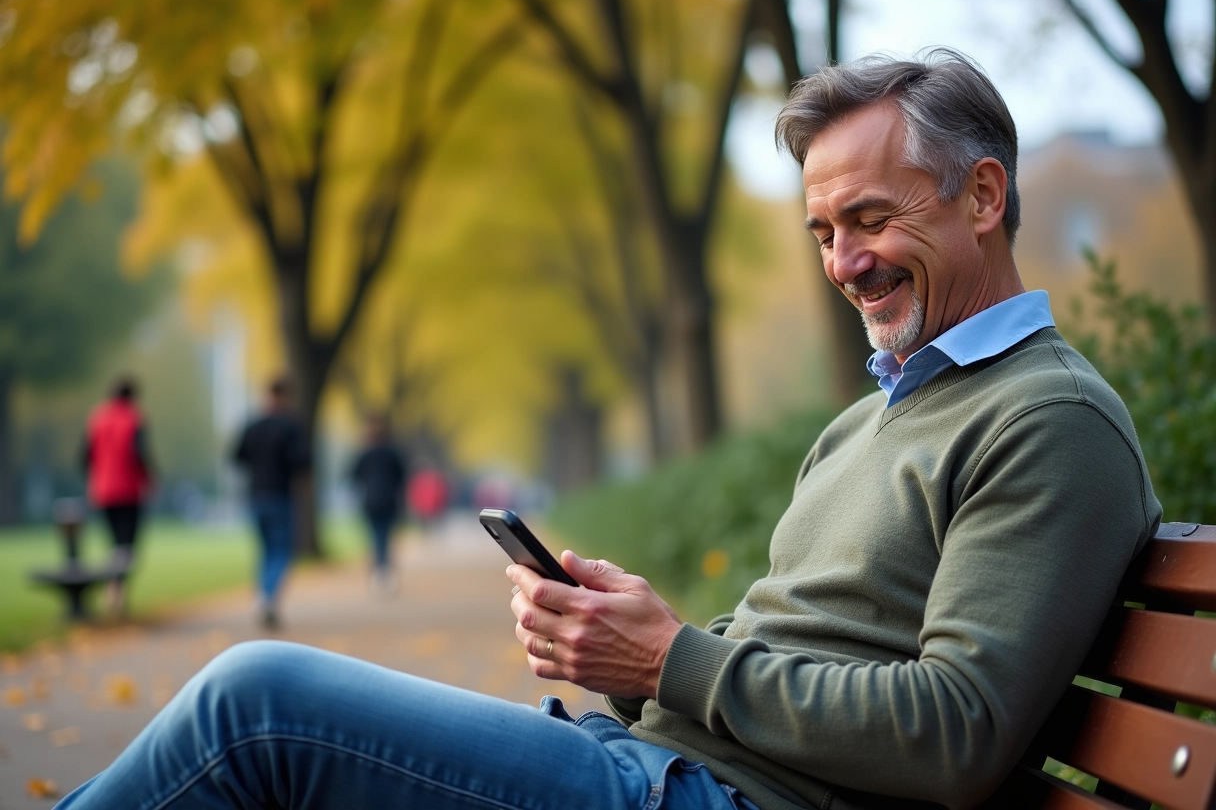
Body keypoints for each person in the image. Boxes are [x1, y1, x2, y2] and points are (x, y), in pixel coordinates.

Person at [54, 49, 1160, 810]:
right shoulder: (871, 419)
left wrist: (673, 658)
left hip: (707, 797)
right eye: (823, 229)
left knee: (256, 710)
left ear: (980, 196)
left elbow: (955, 732)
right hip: (652, 764)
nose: (842, 261)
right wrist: (625, 652)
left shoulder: (1047, 421)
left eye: (872, 218)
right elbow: (770, 658)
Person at [232, 376, 310, 630]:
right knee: (280, 551)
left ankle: (263, 596)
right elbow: (303, 462)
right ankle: (268, 597)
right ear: (285, 397)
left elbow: (237, 456)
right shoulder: (291, 427)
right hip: (281, 496)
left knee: (265, 550)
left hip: (256, 495)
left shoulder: (253, 426)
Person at [81, 375, 154, 617]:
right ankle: (116, 590)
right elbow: (139, 453)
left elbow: (85, 456)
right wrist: (150, 478)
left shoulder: (96, 418)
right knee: (128, 544)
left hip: (103, 490)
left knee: (115, 542)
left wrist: (95, 477)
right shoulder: (134, 418)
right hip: (129, 490)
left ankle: (116, 589)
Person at [349, 414, 408, 594]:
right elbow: (401, 476)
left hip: (371, 502)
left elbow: (354, 475)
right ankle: (386, 576)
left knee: (376, 539)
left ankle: (379, 575)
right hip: (389, 501)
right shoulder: (392, 453)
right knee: (386, 539)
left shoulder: (364, 453)